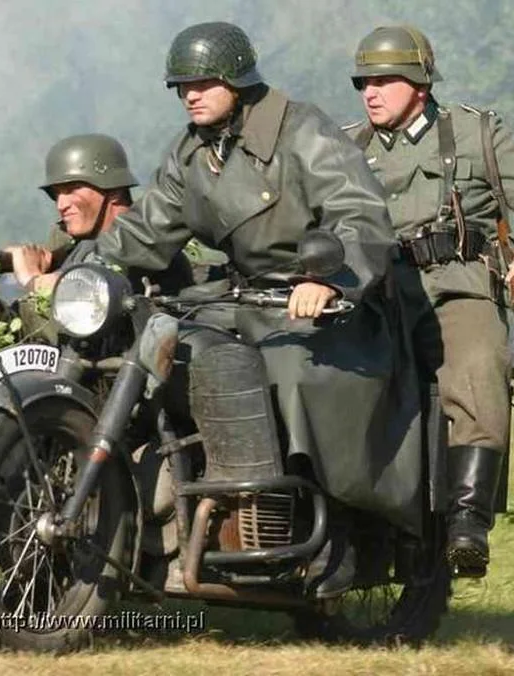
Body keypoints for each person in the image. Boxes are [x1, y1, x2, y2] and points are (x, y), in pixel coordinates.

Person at [90, 21, 420, 599]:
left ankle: (337, 531)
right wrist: (80, 276)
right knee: (158, 351)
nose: (189, 94)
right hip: (239, 299)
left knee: (293, 374)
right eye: (180, 86)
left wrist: (329, 280)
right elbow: (143, 230)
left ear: (237, 81)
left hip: (327, 303)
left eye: (201, 83)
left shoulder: (302, 130)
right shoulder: (192, 150)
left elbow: (360, 215)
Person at [345, 24, 514, 578]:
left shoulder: (478, 134)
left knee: (479, 365)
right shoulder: (344, 149)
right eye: (364, 81)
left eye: (385, 80)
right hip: (374, 294)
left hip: (457, 286)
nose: (370, 92)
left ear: (420, 84)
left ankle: (466, 524)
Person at [7, 133, 193, 295]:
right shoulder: (78, 247)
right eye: (56, 194)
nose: (61, 204)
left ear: (113, 191)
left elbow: (76, 308)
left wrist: (32, 279)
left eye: (72, 189)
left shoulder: (138, 251)